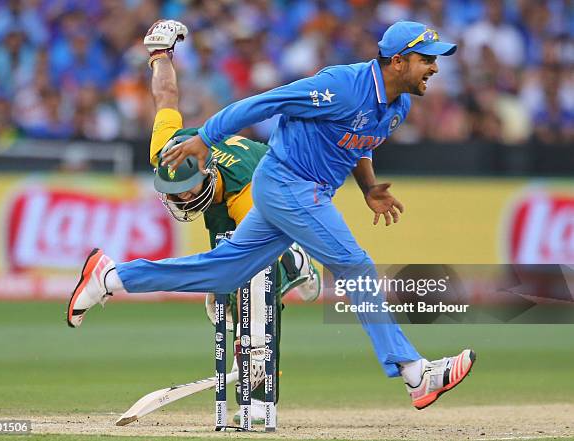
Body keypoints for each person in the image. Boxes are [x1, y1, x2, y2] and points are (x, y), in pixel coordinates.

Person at [67, 20, 476, 410]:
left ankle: (110, 277)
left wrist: (368, 187)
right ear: (398, 62)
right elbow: (267, 102)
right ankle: (413, 372)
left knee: (224, 272)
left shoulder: (398, 104)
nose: (435, 67)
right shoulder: (341, 87)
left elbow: (360, 140)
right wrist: (205, 138)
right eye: (427, 59)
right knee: (355, 265)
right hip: (287, 184)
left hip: (301, 191)